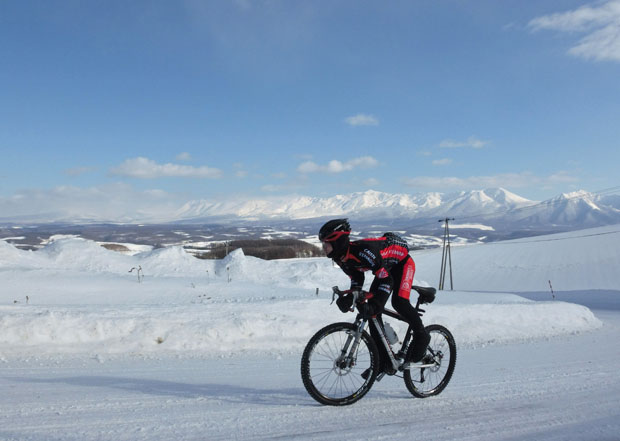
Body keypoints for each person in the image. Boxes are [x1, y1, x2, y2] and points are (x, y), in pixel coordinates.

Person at [318, 218, 431, 374]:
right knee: (372, 315)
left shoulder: (364, 252)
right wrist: (350, 297)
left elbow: (387, 279)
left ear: (337, 242)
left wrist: (376, 303)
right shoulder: (341, 258)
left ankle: (422, 336)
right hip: (385, 267)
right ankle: (383, 362)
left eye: (326, 244)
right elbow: (357, 278)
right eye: (323, 244)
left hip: (402, 264)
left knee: (399, 302)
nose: (324, 248)